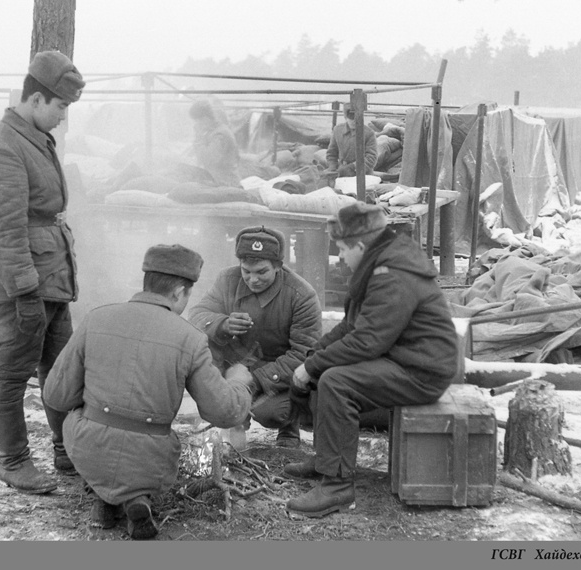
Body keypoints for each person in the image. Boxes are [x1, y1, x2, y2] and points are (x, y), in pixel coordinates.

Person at [44, 244, 253, 539]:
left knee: (92, 429)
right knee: (144, 452)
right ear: (180, 292)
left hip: (88, 448)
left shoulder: (95, 319)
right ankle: (137, 498)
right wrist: (239, 381)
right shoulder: (191, 339)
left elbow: (55, 395)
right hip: (153, 458)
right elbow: (223, 411)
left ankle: (105, 497)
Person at [284, 203, 459, 518]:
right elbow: (351, 326)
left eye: (342, 250)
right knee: (326, 370)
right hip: (404, 359)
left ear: (361, 245)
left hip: (422, 371)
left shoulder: (391, 273)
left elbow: (367, 341)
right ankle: (327, 459)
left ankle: (337, 488)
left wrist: (312, 365)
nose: (340, 257)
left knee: (337, 381)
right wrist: (314, 355)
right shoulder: (380, 263)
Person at [0, 50, 85, 494]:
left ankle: (66, 449)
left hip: (53, 282)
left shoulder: (35, 137)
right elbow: (3, 228)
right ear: (37, 99)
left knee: (60, 373)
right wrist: (24, 294)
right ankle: (14, 460)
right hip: (26, 286)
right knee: (12, 373)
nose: (62, 118)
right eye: (60, 107)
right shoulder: (3, 144)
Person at [189, 226, 322, 448]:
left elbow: (305, 354)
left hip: (279, 375)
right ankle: (235, 421)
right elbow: (197, 315)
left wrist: (255, 381)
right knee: (203, 346)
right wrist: (223, 323)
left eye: (262, 272)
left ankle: (289, 427)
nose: (252, 279)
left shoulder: (301, 295)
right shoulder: (227, 279)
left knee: (270, 413)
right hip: (235, 365)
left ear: (278, 266)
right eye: (246, 271)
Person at [188, 100, 241, 187]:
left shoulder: (220, 134)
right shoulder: (215, 131)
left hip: (225, 183)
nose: (196, 124)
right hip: (221, 181)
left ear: (205, 118)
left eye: (197, 121)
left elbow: (209, 159)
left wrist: (199, 138)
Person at [325, 103, 378, 185]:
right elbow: (331, 153)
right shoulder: (337, 130)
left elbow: (371, 158)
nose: (353, 121)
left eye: (356, 118)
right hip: (342, 174)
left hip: (362, 175)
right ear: (345, 117)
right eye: (350, 118)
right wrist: (332, 167)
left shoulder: (369, 133)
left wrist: (352, 167)